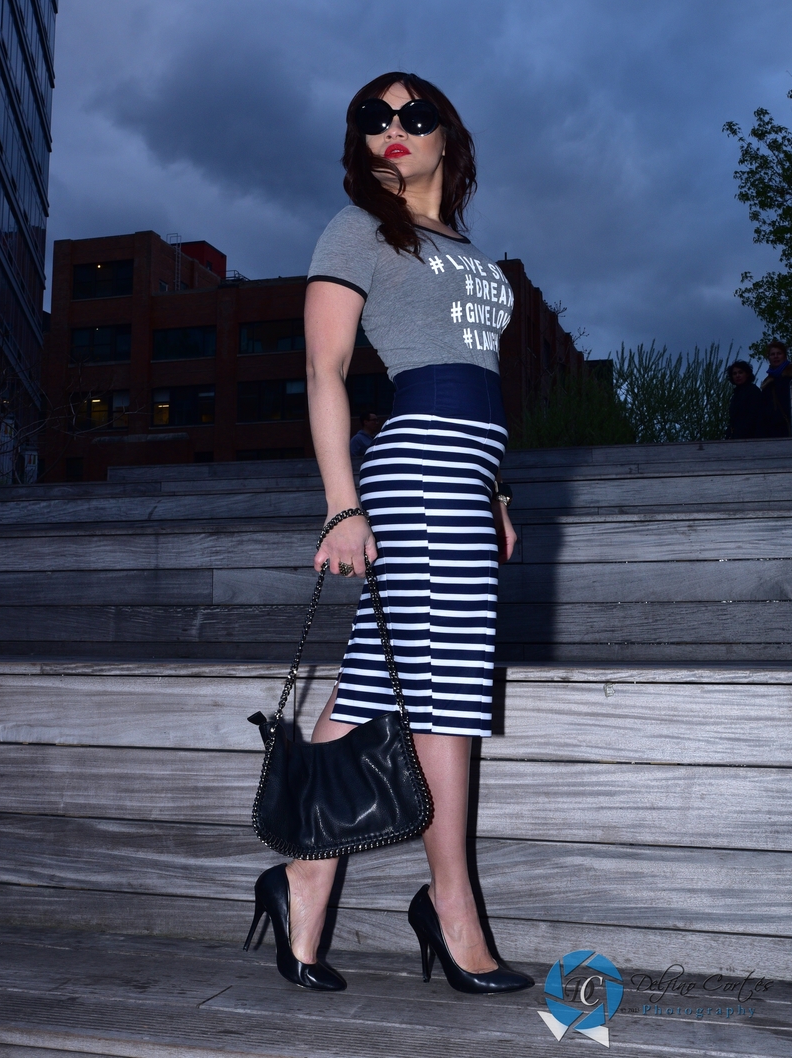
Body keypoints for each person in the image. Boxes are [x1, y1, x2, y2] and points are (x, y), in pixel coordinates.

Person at [252, 72, 533, 996]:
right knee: (445, 695)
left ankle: (305, 872)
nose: (395, 130)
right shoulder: (356, 229)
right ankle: (451, 908)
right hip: (412, 472)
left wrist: (491, 492)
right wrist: (343, 505)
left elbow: (480, 380)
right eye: (374, 118)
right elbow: (325, 370)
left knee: (386, 685)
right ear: (360, 141)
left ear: (448, 135)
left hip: (462, 476)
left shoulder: (461, 244)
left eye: (415, 116)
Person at [760, 340, 792, 437]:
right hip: (773, 431)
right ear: (769, 358)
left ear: (785, 356)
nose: (776, 356)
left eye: (779, 353)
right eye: (772, 354)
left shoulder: (790, 378)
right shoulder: (767, 384)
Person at [725, 360, 764, 438]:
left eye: (740, 372)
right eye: (734, 373)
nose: (737, 375)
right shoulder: (736, 394)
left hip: (751, 437)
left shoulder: (753, 391)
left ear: (747, 374)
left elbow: (754, 417)